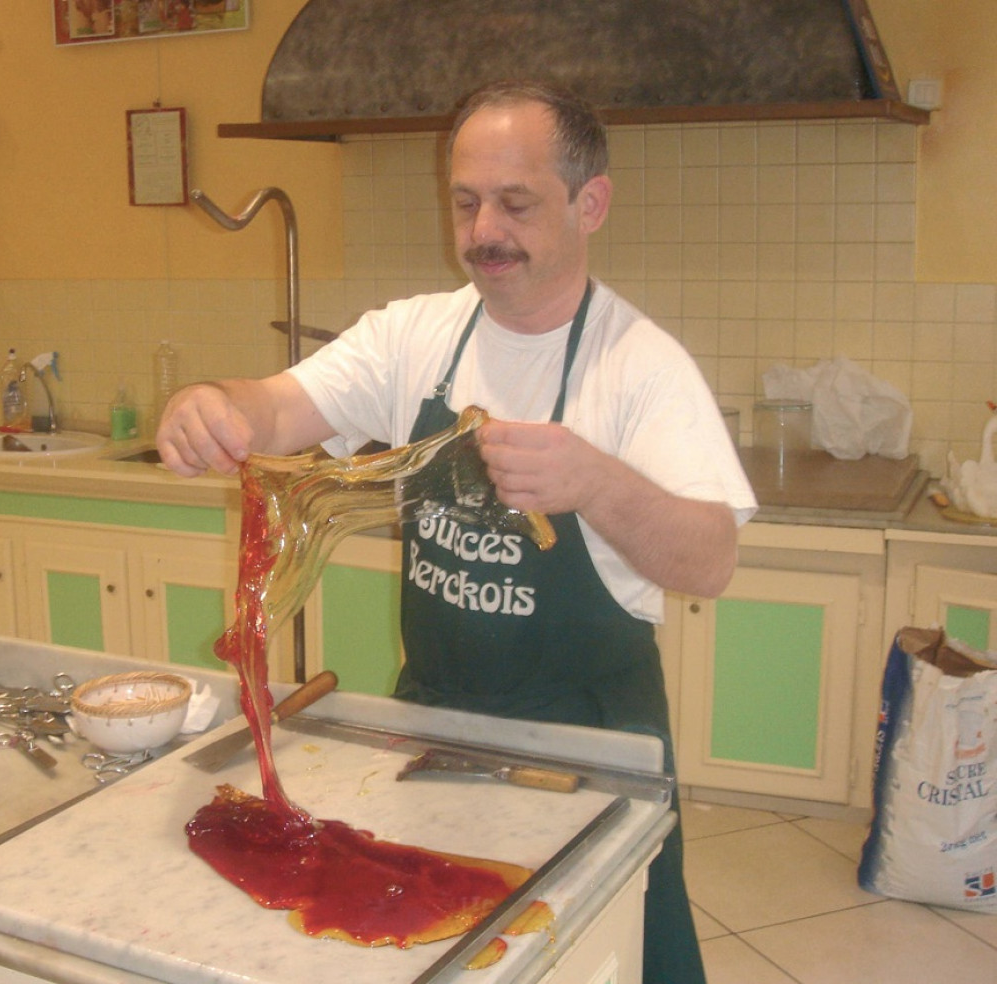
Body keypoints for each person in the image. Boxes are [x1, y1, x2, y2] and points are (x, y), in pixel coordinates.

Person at [157, 78, 756, 984]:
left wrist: (593, 481)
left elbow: (710, 559)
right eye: (466, 202)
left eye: (516, 203)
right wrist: (214, 406)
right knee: (445, 955)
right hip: (435, 735)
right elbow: (277, 409)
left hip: (588, 754)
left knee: (601, 958)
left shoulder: (641, 367)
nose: (483, 232)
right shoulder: (414, 339)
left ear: (590, 203)